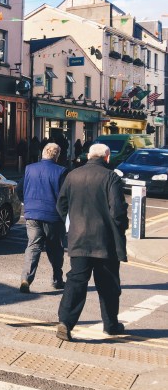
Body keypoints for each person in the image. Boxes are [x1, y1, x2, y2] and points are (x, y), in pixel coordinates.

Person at [55, 142, 129, 341]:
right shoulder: (110, 177)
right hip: (104, 241)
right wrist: (122, 227)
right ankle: (111, 325)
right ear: (106, 157)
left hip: (78, 239)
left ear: (89, 156)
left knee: (76, 281)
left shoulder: (73, 175)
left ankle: (65, 322)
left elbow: (61, 205)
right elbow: (118, 211)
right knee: (109, 286)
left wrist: (71, 224)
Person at [18, 142, 68, 294]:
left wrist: (27, 203)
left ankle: (26, 279)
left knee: (33, 246)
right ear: (57, 155)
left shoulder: (29, 168)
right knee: (55, 249)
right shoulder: (61, 171)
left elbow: (19, 189)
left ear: (43, 153)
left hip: (32, 214)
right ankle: (57, 280)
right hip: (53, 216)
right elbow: (65, 196)